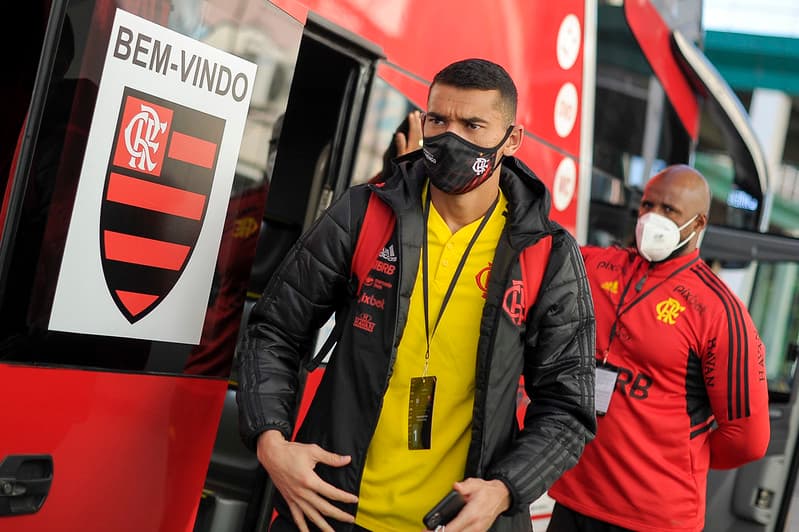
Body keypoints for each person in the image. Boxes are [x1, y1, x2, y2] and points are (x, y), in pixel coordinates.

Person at [237, 58, 596, 532]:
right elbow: (274, 330)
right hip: (327, 513)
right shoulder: (364, 212)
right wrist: (272, 442)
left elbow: (568, 407)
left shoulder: (547, 254)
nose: (451, 137)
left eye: (473, 124)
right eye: (438, 120)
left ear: (511, 140)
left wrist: (505, 490)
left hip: (457, 524)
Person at [547, 164, 770, 532]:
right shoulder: (596, 266)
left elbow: (748, 439)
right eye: (647, 205)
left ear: (698, 224)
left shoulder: (720, 313)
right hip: (574, 497)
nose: (653, 218)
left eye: (669, 211)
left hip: (654, 518)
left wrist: (675, 456)